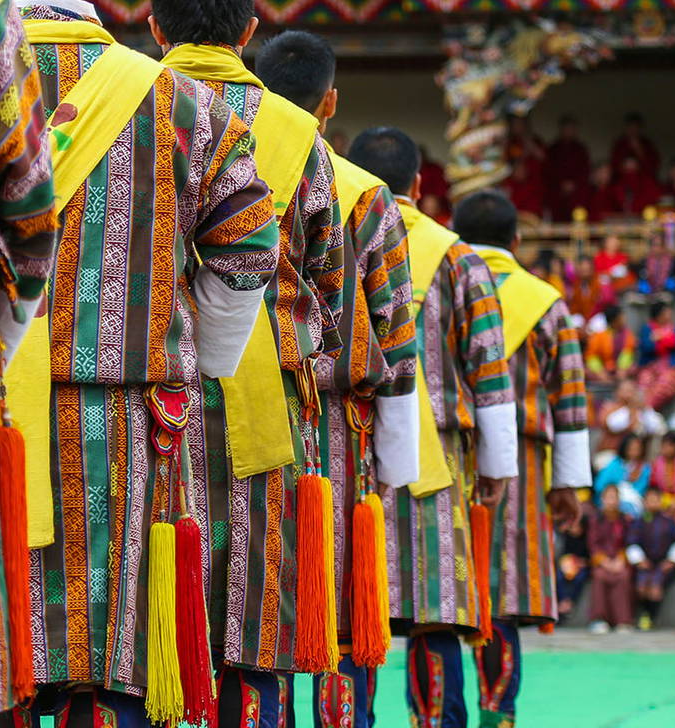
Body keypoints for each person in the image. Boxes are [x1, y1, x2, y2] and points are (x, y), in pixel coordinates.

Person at [18, 3, 280, 723]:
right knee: (108, 653)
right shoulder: (179, 102)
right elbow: (250, 246)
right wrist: (202, 356)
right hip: (125, 413)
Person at [156, 7, 351, 709]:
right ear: (248, 32)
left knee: (136, 624)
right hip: (267, 408)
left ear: (153, 26)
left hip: (145, 402)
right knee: (255, 625)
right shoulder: (303, 136)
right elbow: (328, 282)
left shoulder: (125, 105)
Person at [257, 32, 420, 726]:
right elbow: (397, 343)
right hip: (333, 437)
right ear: (329, 103)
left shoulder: (213, 150)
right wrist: (398, 464)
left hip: (222, 418)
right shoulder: (364, 194)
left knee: (253, 606)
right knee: (341, 604)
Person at [349, 129, 518, 728]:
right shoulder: (457, 258)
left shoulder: (337, 230)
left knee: (353, 612)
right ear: (419, 184)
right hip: (436, 461)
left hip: (350, 448)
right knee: (434, 607)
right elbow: (491, 373)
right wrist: (497, 468)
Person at [452, 191, 591, 728]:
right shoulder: (545, 301)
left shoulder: (443, 282)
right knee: (502, 595)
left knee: (443, 595)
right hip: (525, 467)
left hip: (448, 451)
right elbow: (571, 398)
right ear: (516, 240)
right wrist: (568, 485)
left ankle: (440, 717)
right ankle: (498, 717)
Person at [630, 491, 675, 630]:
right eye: (650, 500)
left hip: (664, 565)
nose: (653, 503)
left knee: (655, 588)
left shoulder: (669, 522)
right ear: (645, 502)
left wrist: (671, 561)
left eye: (656, 500)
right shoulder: (638, 522)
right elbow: (632, 542)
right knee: (642, 586)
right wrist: (640, 560)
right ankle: (643, 614)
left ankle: (652, 617)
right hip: (644, 564)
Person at [585, 486, 637, 633]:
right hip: (602, 562)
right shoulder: (596, 520)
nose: (611, 501)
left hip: (620, 562)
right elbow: (593, 544)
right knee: (600, 576)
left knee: (623, 576)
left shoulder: (625, 520)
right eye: (608, 497)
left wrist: (621, 559)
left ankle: (623, 621)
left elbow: (630, 542)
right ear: (602, 500)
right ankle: (599, 620)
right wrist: (605, 562)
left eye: (614, 497)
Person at [635, 301, 675, 411]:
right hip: (650, 367)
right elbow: (647, 346)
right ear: (659, 315)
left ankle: (645, 410)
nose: (669, 314)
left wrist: (660, 338)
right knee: (644, 382)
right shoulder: (647, 329)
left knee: (664, 384)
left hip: (670, 368)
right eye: (666, 312)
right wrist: (660, 340)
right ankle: (641, 410)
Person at [596, 380, 667, 457]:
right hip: (611, 454)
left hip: (637, 457)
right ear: (617, 392)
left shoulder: (642, 408)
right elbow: (612, 425)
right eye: (626, 391)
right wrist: (630, 408)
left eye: (632, 391)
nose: (629, 394)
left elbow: (658, 428)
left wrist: (644, 409)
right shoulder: (609, 407)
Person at [546, 115, 592, 221]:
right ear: (561, 130)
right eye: (566, 129)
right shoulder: (553, 149)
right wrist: (561, 183)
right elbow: (549, 170)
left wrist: (574, 184)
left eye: (571, 129)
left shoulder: (581, 150)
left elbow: (585, 171)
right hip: (558, 194)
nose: (569, 132)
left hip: (577, 193)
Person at [596, 435, 655, 512]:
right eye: (631, 448)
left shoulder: (645, 468)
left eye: (637, 448)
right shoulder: (615, 464)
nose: (634, 451)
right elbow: (600, 485)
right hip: (612, 500)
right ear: (625, 448)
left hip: (635, 505)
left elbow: (642, 490)